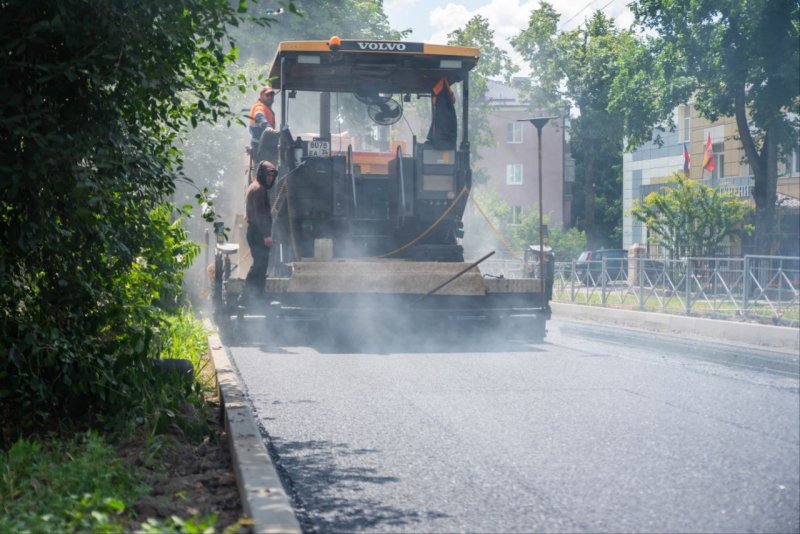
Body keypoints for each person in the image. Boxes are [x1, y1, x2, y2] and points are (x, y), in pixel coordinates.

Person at [241, 160, 276, 304]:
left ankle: (257, 295)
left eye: (272, 176)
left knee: (261, 264)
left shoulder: (254, 187)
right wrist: (266, 235)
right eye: (268, 175)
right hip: (258, 233)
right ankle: (246, 295)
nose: (270, 178)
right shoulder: (259, 189)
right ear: (261, 174)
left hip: (255, 232)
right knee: (260, 264)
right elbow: (260, 215)